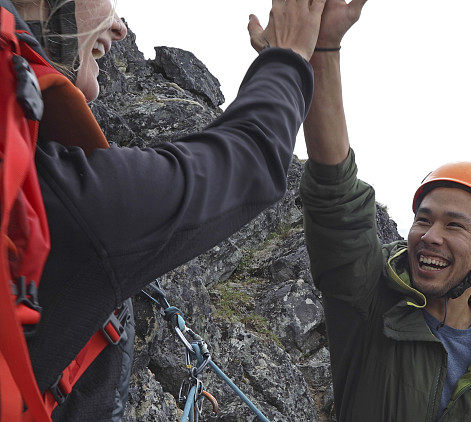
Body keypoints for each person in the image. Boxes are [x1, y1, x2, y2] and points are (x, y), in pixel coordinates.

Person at [2, 0, 326, 419]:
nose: (119, 28)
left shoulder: (41, 175)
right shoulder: (61, 199)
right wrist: (291, 57)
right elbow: (246, 162)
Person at [296, 1, 471, 420]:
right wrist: (323, 51)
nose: (431, 235)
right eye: (424, 219)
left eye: (454, 225)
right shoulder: (369, 302)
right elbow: (336, 199)